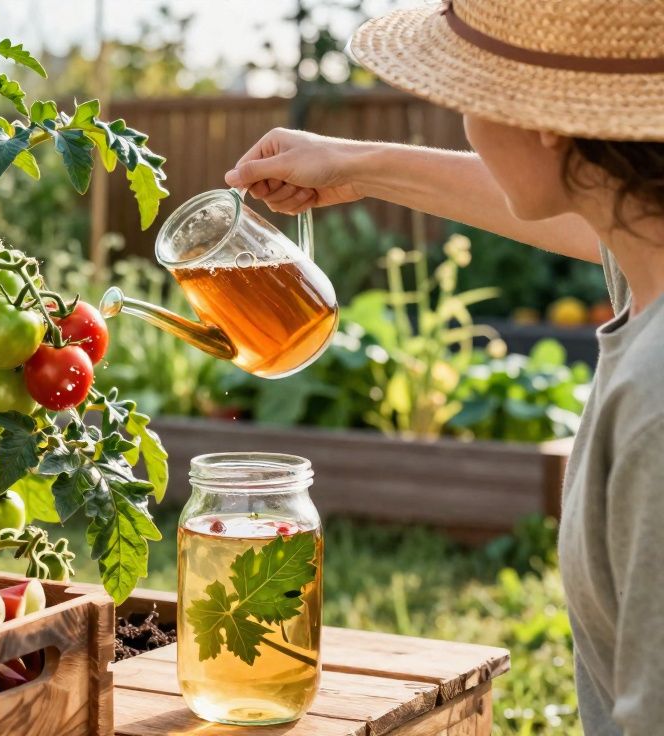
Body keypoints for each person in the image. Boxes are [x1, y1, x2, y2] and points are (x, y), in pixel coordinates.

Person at [223, 1, 664, 734]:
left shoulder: (655, 403)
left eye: (466, 93)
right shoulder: (644, 250)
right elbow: (591, 210)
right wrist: (358, 167)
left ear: (547, 119)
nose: (457, 114)